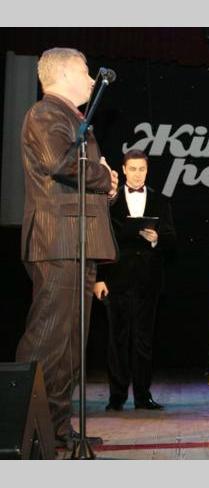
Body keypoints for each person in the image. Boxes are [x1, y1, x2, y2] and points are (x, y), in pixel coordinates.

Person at [16, 47, 119, 449]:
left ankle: (55, 428)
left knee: (70, 347)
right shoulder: (45, 114)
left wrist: (107, 188)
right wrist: (103, 176)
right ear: (61, 75)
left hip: (78, 241)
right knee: (48, 339)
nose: (92, 80)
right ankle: (20, 429)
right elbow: (61, 163)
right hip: (57, 240)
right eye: (85, 71)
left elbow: (78, 177)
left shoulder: (73, 120)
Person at [93, 149, 176, 411]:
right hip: (115, 280)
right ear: (124, 170)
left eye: (142, 169)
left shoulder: (160, 201)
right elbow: (99, 239)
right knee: (116, 340)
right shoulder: (110, 201)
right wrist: (98, 278)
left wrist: (157, 239)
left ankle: (143, 396)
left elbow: (172, 239)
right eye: (133, 169)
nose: (138, 174)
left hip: (148, 281)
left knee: (143, 341)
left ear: (147, 170)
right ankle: (116, 397)